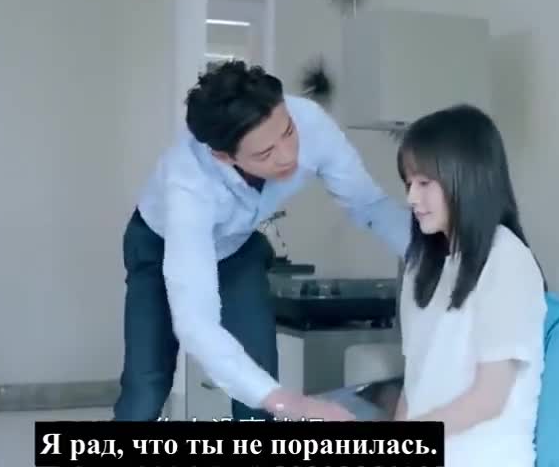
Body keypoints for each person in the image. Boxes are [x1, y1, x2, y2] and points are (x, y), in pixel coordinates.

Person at [112, 60, 411, 422]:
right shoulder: (188, 187)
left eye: (288, 132)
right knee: (146, 388)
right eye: (265, 153)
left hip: (236, 249)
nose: (288, 155)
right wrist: (295, 404)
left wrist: (437, 257)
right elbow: (196, 322)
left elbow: (370, 204)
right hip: (157, 244)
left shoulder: (310, 122)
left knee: (258, 381)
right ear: (224, 156)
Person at [391, 104, 547, 466]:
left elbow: (488, 399)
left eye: (424, 183)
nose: (411, 198)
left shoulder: (506, 258)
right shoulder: (420, 265)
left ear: (466, 179)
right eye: (409, 183)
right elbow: (414, 384)